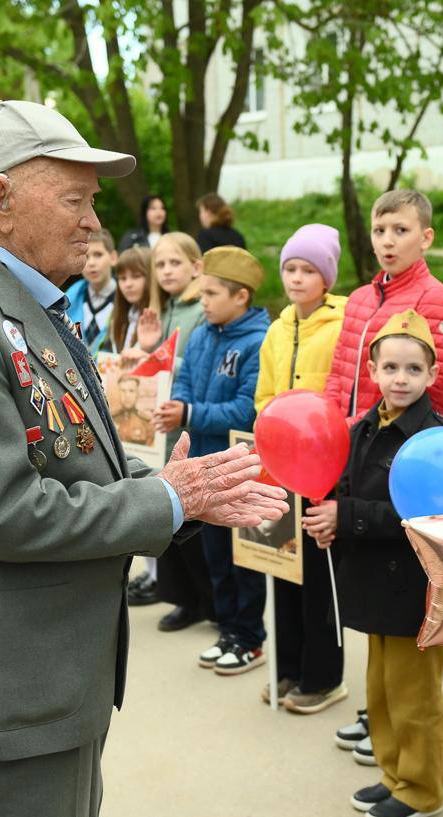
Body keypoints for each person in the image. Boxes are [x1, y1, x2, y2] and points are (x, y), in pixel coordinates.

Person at [0, 99, 286, 817]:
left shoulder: (18, 298)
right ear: (2, 200)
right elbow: (8, 512)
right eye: (75, 200)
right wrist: (166, 500)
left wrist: (183, 499)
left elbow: (76, 458)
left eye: (92, 202)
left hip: (57, 662)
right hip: (24, 672)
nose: (95, 223)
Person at [304, 310, 443, 817]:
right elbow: (347, 485)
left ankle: (422, 789)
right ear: (372, 370)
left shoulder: (432, 436)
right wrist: (332, 522)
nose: (400, 379)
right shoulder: (365, 426)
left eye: (413, 369)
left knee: (415, 697)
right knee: (382, 691)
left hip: (412, 586)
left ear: (433, 374)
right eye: (390, 367)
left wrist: (347, 516)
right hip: (373, 580)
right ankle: (393, 774)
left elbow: (423, 515)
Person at [155, 246, 271, 675]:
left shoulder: (258, 341)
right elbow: (183, 380)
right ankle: (227, 629)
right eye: (202, 293)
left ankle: (250, 639)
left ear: (241, 296)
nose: (202, 301)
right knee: (216, 556)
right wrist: (180, 403)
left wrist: (189, 412)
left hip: (237, 468)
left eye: (211, 293)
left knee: (244, 559)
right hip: (204, 466)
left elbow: (245, 410)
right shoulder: (203, 333)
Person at [254, 223, 350, 713]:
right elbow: (264, 395)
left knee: (318, 576)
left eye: (308, 270)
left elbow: (342, 393)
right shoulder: (277, 329)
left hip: (322, 465)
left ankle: (324, 676)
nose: (296, 278)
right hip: (280, 464)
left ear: (326, 277)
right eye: (290, 268)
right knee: (282, 565)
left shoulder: (342, 325)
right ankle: (288, 666)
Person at [323, 189, 443, 425]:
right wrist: (330, 424)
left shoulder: (434, 301)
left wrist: (355, 429)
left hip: (398, 441)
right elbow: (337, 374)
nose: (387, 241)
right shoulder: (359, 299)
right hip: (349, 437)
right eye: (379, 231)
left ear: (426, 238)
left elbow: (435, 394)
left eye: (401, 230)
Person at [140, 231, 214, 631]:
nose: (166, 271)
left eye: (175, 263)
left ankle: (205, 602)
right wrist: (149, 352)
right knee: (171, 515)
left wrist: (156, 355)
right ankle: (183, 598)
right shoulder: (166, 309)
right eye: (161, 265)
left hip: (190, 428)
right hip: (164, 431)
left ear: (196, 267)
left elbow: (196, 369)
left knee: (194, 522)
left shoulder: (202, 310)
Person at [100, 246, 160, 606]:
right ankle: (149, 571)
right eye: (122, 277)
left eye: (136, 276)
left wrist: (147, 354)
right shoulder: (120, 318)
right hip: (122, 416)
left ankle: (157, 576)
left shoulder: (157, 315)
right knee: (136, 486)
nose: (129, 283)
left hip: (151, 420)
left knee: (152, 486)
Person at [63, 229, 117, 352]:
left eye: (98, 255)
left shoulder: (127, 299)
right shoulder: (68, 302)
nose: (91, 263)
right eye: (86, 256)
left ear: (113, 258)